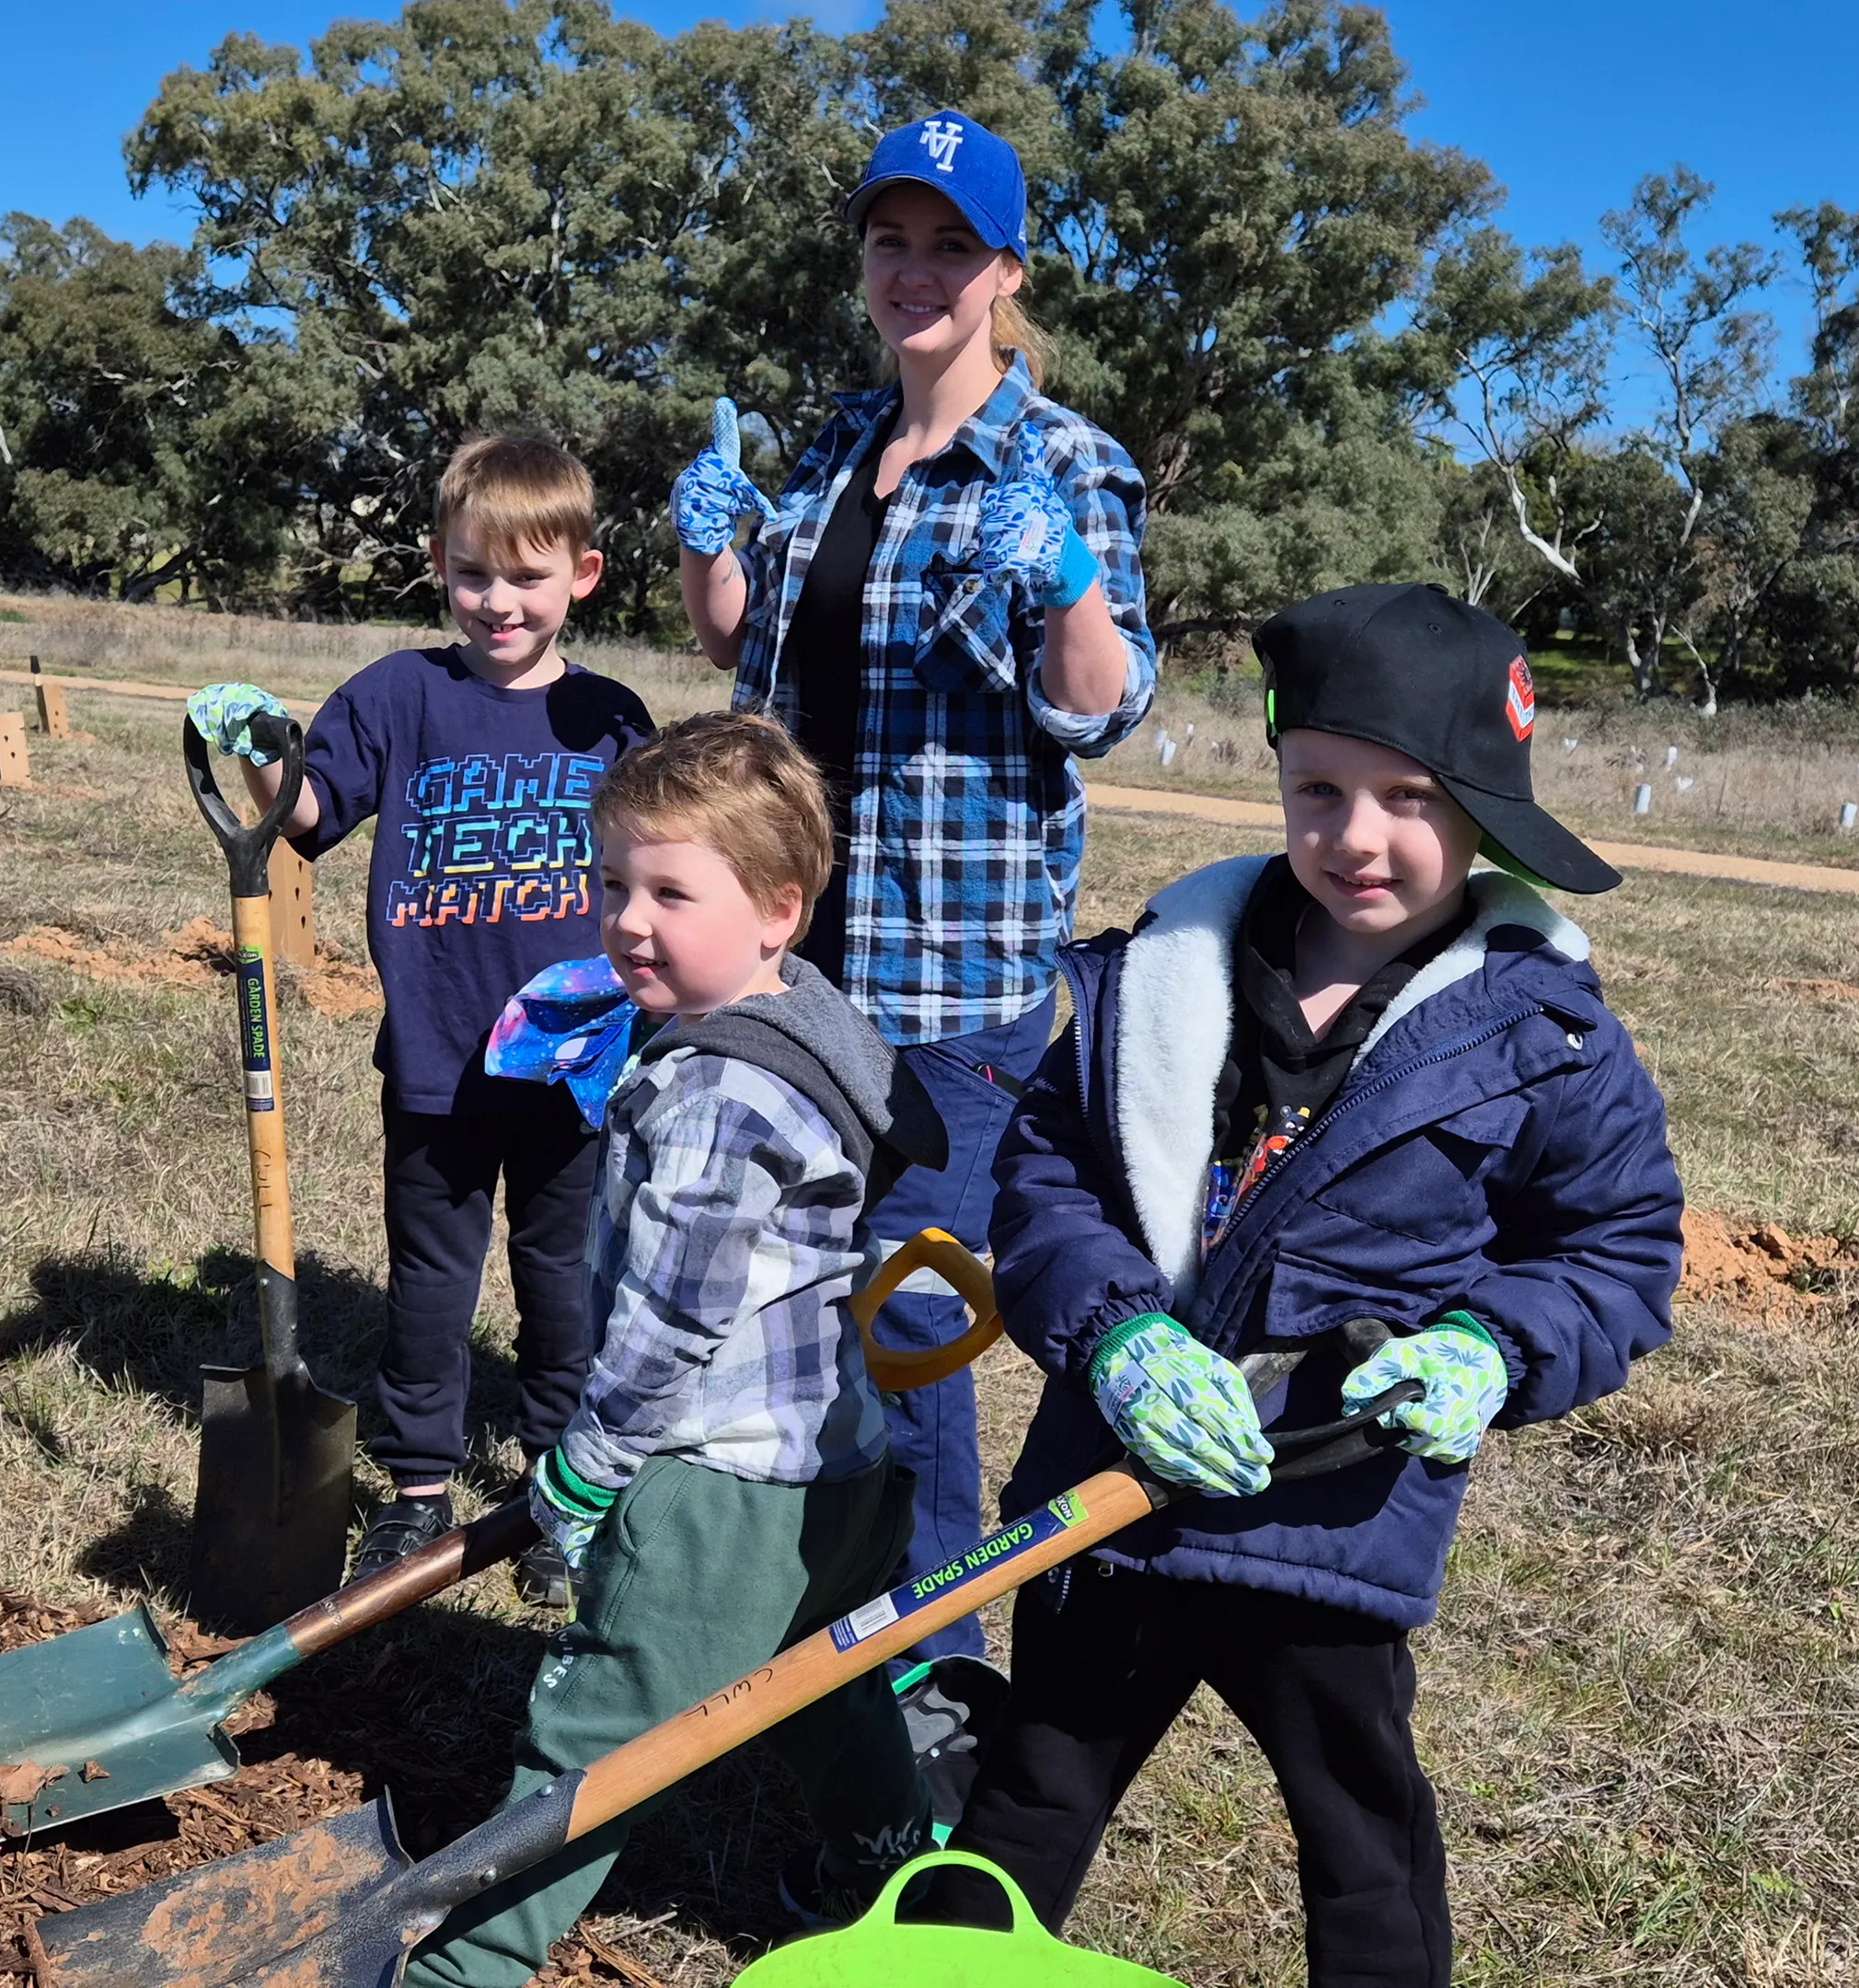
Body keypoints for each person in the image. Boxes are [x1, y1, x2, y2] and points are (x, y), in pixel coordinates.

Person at [929, 584, 1685, 1985]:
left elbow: (1617, 1250)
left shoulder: (1545, 1035)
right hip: (1114, 1499)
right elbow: (1047, 1182)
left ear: (1485, 810)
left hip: (1330, 1525)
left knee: (1363, 1838)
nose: (1358, 837)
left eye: (1408, 797)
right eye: (1318, 788)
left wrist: (1493, 1349)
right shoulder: (1154, 977)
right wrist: (1118, 1345)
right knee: (1030, 1792)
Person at [669, 109, 1156, 1672]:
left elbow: (1102, 707)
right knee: (799, 1275)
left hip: (957, 988)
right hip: (802, 960)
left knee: (911, 1317)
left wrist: (1068, 578)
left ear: (1007, 270)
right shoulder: (825, 446)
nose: (918, 272)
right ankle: (815, 1574)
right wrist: (706, 554)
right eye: (893, 240)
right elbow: (749, 656)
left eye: (954, 245)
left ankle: (937, 1669)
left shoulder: (1070, 462)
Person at [409, 711, 933, 1988]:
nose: (627, 921)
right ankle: (889, 1855)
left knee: (597, 1732)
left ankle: (462, 1969)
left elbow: (669, 1322)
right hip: (840, 1466)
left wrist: (587, 1468)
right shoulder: (807, 1016)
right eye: (612, 887)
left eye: (668, 893)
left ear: (777, 909)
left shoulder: (713, 1096)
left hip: (718, 1489)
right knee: (825, 1681)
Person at [191, 433, 653, 1611]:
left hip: (571, 1067)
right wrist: (261, 751)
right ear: (439, 569)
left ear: (582, 577)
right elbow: (301, 819)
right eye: (471, 575)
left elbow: (660, 864)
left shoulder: (609, 717)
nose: (498, 601)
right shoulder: (401, 695)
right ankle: (415, 1490)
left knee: (564, 1291)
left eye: (527, 577)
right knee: (432, 1288)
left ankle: (564, 1493)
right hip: (439, 1061)